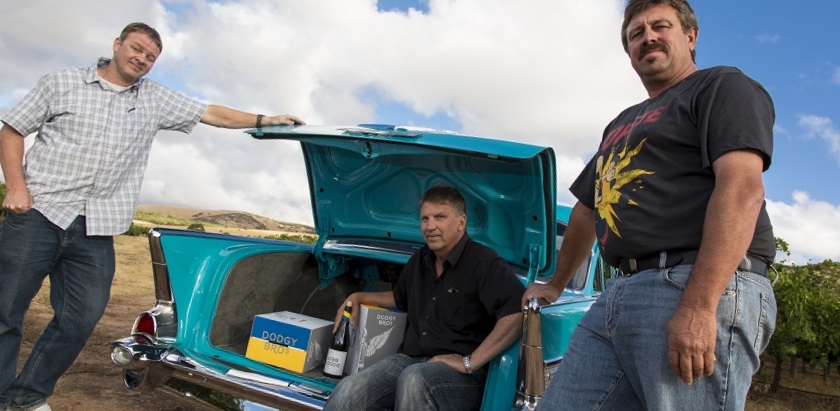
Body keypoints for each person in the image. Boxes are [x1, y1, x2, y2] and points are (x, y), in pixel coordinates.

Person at [0, 22, 304, 411]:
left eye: (151, 56)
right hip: (39, 213)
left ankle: (26, 396)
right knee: (6, 312)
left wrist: (265, 120)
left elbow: (212, 113)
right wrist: (16, 187)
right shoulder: (61, 82)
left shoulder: (155, 99)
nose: (142, 59)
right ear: (117, 44)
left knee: (80, 318)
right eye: (137, 49)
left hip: (96, 227)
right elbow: (12, 130)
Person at [524, 1, 777, 410]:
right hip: (619, 291)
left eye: (661, 26)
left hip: (692, 283)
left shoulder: (720, 86)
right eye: (636, 34)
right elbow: (588, 208)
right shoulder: (621, 123)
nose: (648, 38)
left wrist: (699, 305)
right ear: (628, 51)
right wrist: (555, 284)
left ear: (691, 36)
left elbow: (742, 189)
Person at [323, 185, 525, 411]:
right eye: (425, 218)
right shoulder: (420, 260)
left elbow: (517, 311)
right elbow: (400, 298)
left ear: (461, 222)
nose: (430, 226)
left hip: (462, 376)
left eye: (440, 217)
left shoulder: (484, 262)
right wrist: (359, 296)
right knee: (350, 389)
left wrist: (469, 362)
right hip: (409, 360)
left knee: (415, 379)